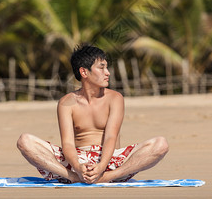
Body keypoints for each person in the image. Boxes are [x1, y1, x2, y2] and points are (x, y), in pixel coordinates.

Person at [17, 44, 169, 184]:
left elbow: (111, 136)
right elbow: (68, 143)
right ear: (84, 72)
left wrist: (102, 166)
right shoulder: (66, 102)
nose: (107, 73)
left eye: (107, 68)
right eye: (101, 68)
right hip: (76, 163)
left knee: (161, 144)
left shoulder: (115, 98)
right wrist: (77, 167)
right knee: (24, 141)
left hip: (111, 162)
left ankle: (107, 178)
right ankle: (74, 178)